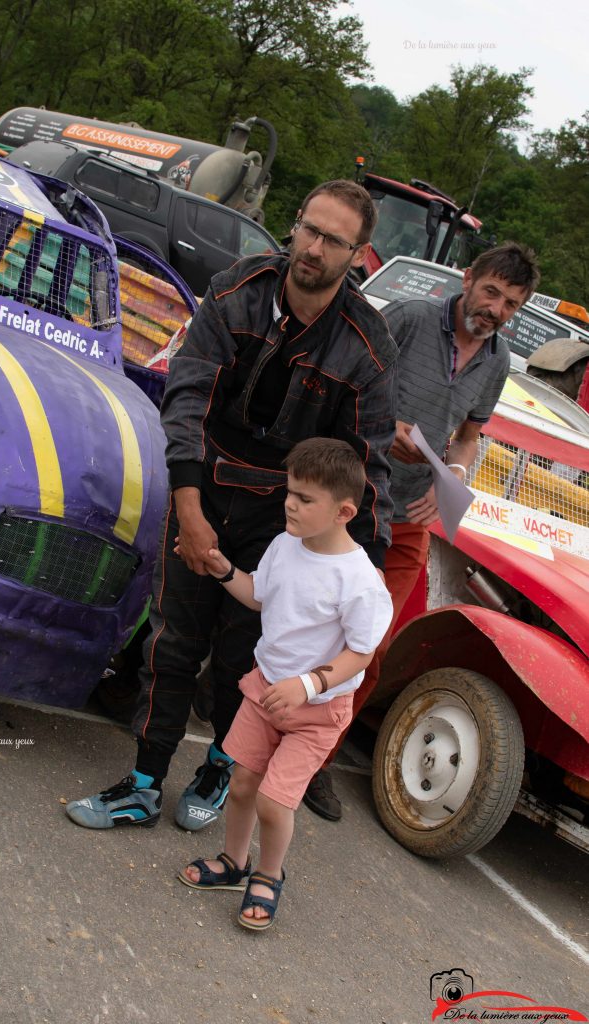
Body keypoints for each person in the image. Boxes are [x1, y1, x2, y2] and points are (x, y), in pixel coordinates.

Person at [66, 179, 398, 833]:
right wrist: (187, 507)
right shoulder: (233, 289)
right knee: (173, 642)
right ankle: (141, 783)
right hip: (207, 485)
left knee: (253, 657)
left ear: (358, 255)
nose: (311, 247)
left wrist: (366, 568)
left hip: (285, 519)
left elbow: (367, 464)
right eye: (306, 228)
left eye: (332, 239)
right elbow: (186, 394)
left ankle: (219, 767)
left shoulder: (366, 346)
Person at [304, 241, 542, 822]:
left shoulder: (499, 359)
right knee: (300, 610)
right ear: (468, 279)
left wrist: (453, 477)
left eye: (511, 303)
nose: (496, 309)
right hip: (348, 497)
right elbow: (343, 375)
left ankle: (314, 762)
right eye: (491, 292)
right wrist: (389, 426)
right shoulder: (410, 318)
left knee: (373, 645)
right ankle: (241, 706)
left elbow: (468, 434)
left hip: (408, 516)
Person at [177, 438, 393, 930]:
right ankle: (234, 863)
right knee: (243, 782)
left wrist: (309, 684)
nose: (290, 504)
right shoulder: (284, 546)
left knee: (275, 801)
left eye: (304, 499)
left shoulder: (361, 581)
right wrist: (224, 570)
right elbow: (258, 596)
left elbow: (361, 653)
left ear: (343, 511)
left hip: (316, 711)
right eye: (290, 493)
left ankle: (269, 875)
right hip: (265, 690)